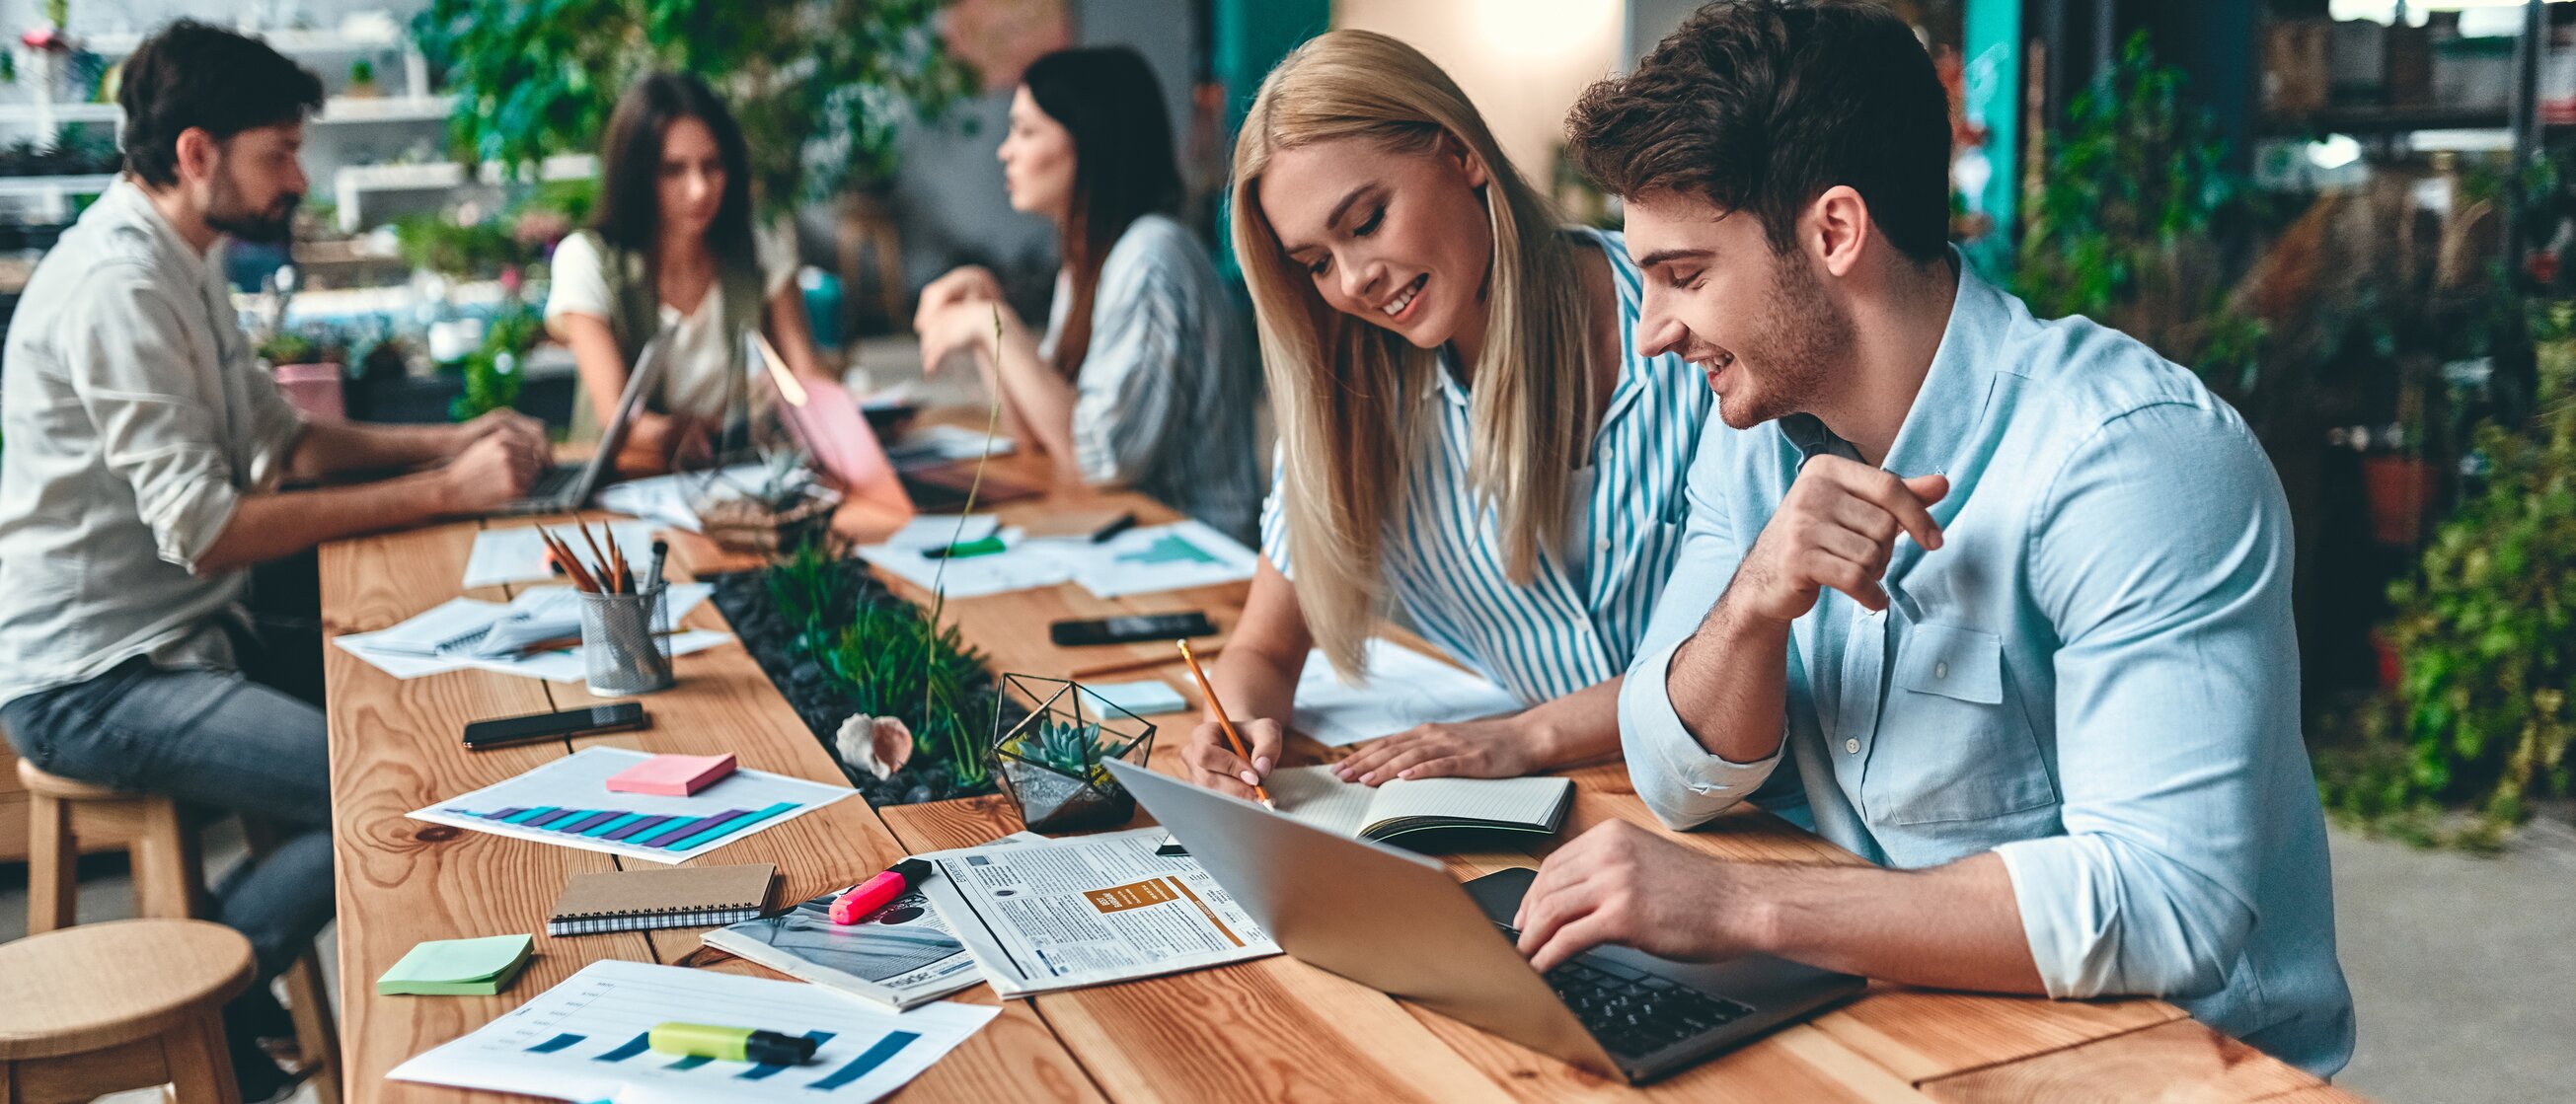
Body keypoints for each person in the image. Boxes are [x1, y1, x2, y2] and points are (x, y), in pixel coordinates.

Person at [1508, 0, 2355, 1077]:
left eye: (1684, 276)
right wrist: (1756, 600)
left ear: (1834, 233)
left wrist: (1748, 902)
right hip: (1895, 1027)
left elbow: (2168, 904)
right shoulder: (1755, 430)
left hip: (2169, 1068)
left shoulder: (2135, 462)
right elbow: (1678, 776)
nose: (1655, 332)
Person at [0, 21, 547, 1100]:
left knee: (432, 721)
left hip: (186, 641)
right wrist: (446, 494)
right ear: (197, 152)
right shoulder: (120, 286)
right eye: (280, 153)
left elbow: (285, 445)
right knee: (398, 790)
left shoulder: (184, 259)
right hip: (96, 678)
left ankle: (235, 974)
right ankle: (220, 1002)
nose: (298, 177)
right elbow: (205, 534)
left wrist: (456, 440)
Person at [1176, 31, 1717, 796]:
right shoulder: (1348, 399)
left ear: (1460, 152)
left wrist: (1529, 736)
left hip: (1753, 810)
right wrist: (1233, 729)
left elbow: (1777, 643)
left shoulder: (1689, 328)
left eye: (1365, 222)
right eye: (1317, 263)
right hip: (1571, 809)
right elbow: (1263, 650)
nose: (1355, 280)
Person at [913, 46, 1261, 541]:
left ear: (1092, 143)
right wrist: (988, 327)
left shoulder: (1150, 258)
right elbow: (1037, 434)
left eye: (1027, 131)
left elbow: (1097, 460)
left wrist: (995, 325)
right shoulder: (1087, 263)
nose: (1005, 151)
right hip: (1129, 541)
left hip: (1195, 560)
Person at [546, 72, 831, 478]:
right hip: (623, 490)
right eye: (673, 170)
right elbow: (617, 418)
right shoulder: (587, 259)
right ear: (637, 175)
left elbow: (806, 378)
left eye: (712, 166)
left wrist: (857, 417)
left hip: (740, 481)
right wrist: (682, 432)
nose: (699, 189)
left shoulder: (759, 246)